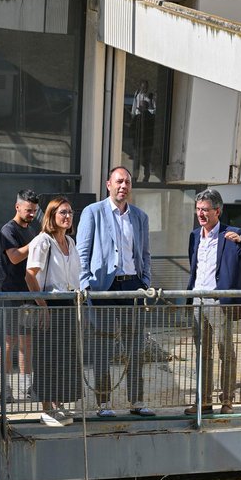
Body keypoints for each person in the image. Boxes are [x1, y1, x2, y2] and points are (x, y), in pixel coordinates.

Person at [76, 165, 155, 417]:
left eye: (127, 182)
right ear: (108, 184)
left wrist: (144, 282)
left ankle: (136, 402)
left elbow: (145, 253)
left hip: (132, 285)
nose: (123, 186)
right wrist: (85, 284)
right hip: (103, 286)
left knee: (135, 346)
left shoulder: (140, 216)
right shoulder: (93, 212)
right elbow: (82, 252)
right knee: (103, 346)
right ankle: (103, 403)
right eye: (119, 181)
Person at [185, 188, 241, 416]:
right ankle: (204, 401)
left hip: (220, 302)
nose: (201, 214)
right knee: (202, 353)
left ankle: (227, 401)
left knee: (225, 352)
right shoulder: (195, 235)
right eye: (198, 209)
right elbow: (194, 267)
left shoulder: (232, 234)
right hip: (198, 301)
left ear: (218, 211)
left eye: (205, 210)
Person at [25, 198, 81, 427]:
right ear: (52, 215)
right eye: (62, 212)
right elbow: (30, 274)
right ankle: (46, 408)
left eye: (70, 212)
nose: (67, 216)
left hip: (68, 304)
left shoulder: (70, 241)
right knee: (47, 357)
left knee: (64, 357)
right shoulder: (42, 241)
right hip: (49, 303)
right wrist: (43, 306)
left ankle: (58, 406)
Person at [0, 189, 40, 403]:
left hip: (29, 293)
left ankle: (26, 387)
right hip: (12, 293)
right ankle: (5, 388)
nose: (31, 214)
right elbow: (14, 258)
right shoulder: (8, 230)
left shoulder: (32, 230)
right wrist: (35, 243)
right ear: (17, 207)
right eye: (28, 210)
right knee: (9, 341)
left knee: (27, 342)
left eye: (34, 210)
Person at [129, 79, 156, 183]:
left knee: (145, 160)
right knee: (139, 160)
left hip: (145, 142)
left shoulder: (149, 97)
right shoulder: (137, 95)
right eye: (142, 86)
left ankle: (144, 177)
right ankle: (137, 177)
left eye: (145, 86)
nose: (144, 88)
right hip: (141, 142)